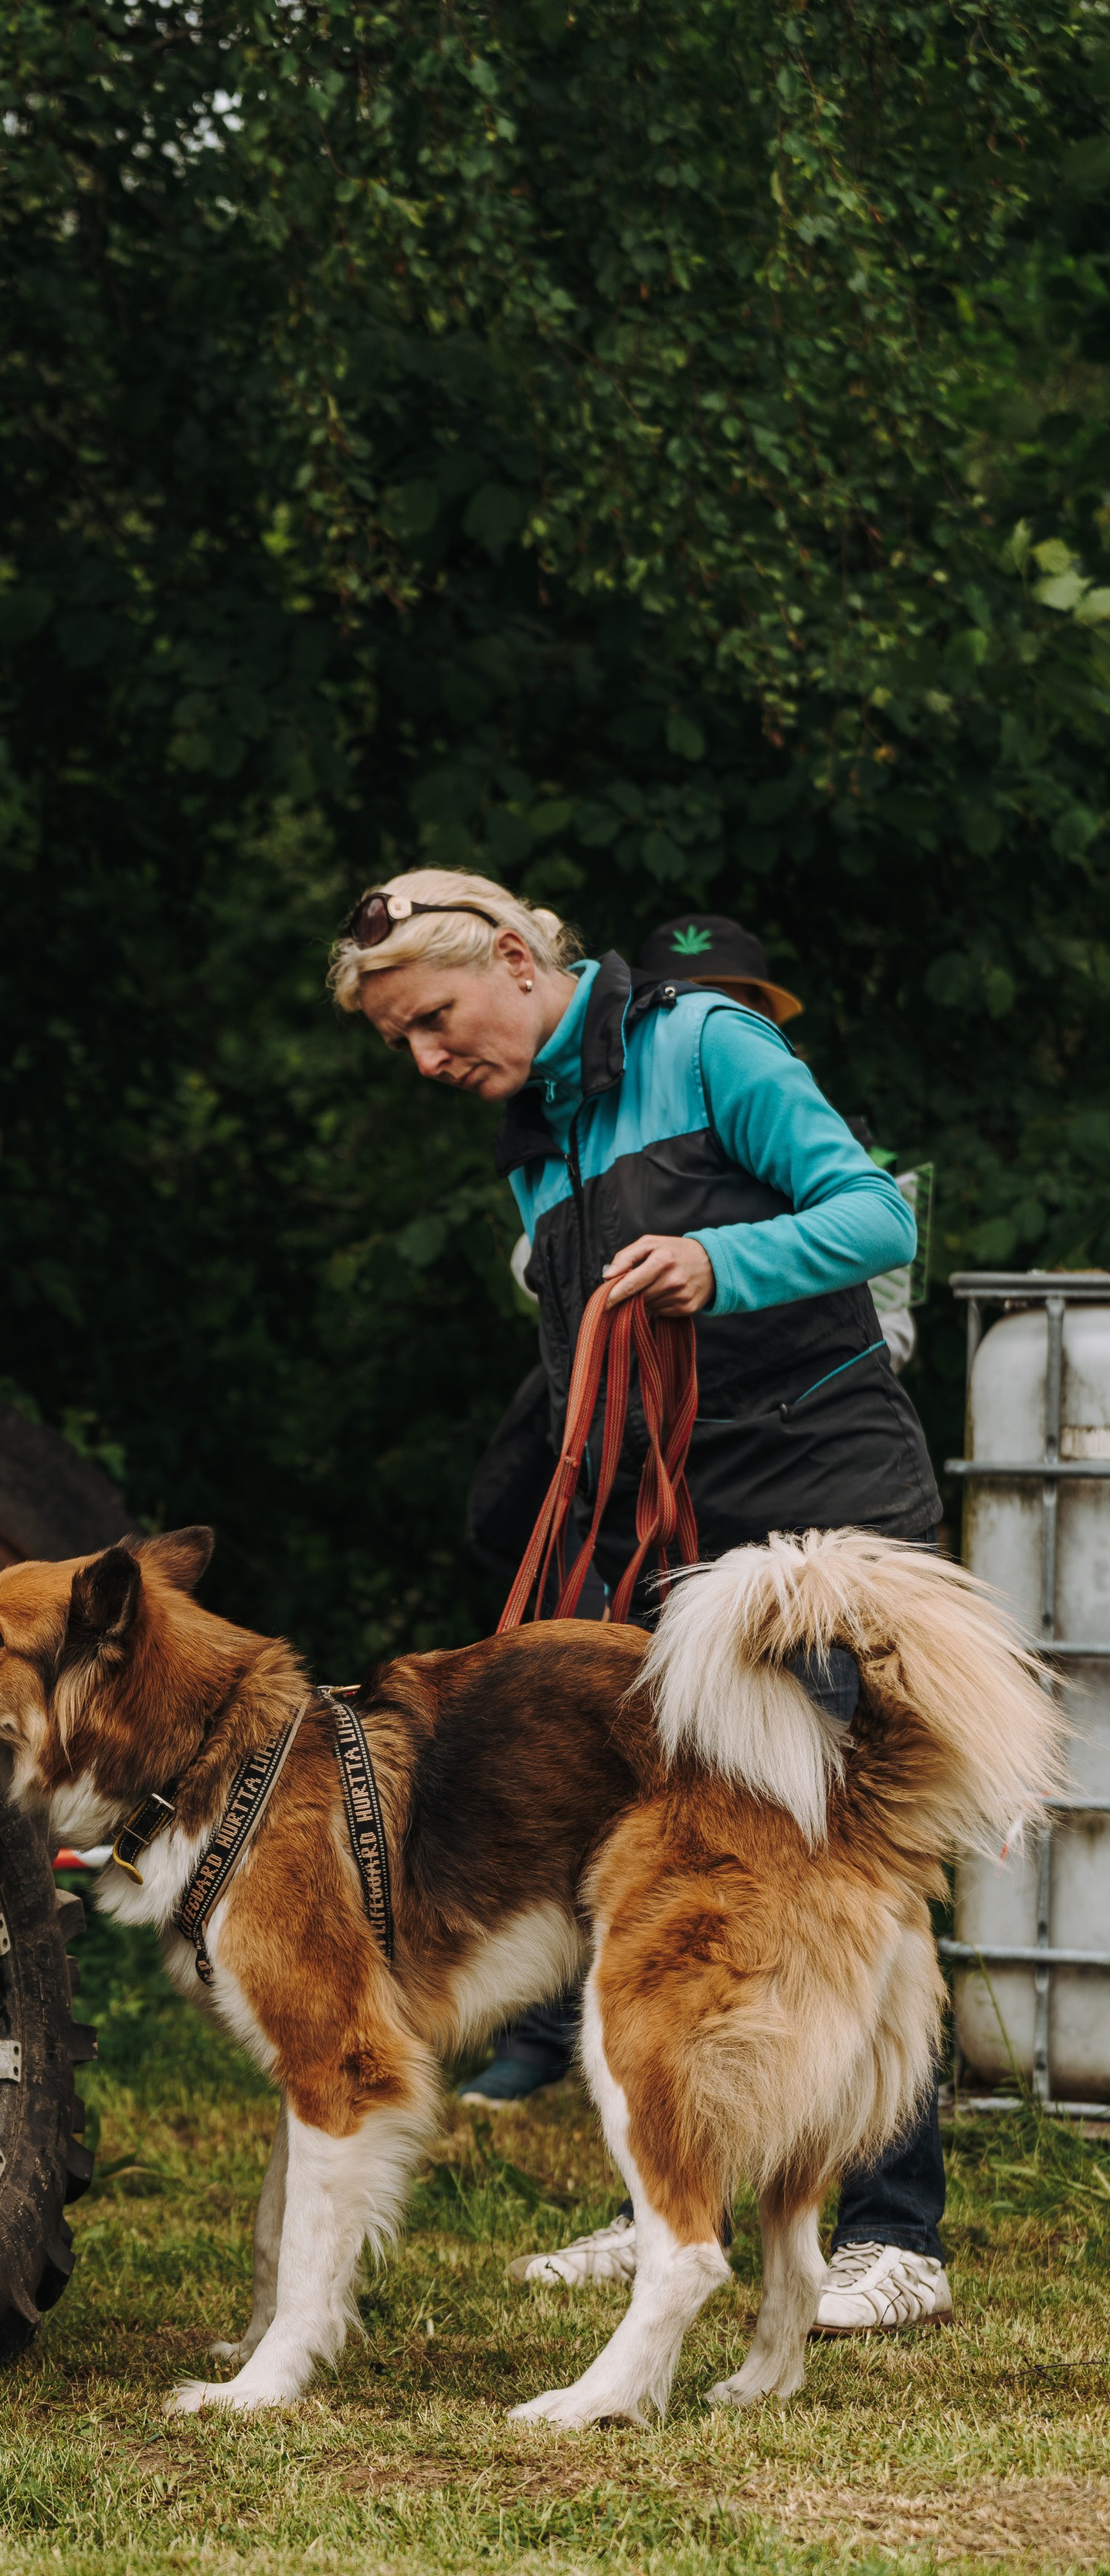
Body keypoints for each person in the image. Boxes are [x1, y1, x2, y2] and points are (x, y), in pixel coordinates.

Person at [332, 877, 954, 2337]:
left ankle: (893, 2231)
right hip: (670, 1527)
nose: (425, 1059)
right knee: (693, 1871)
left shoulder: (708, 1045)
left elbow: (869, 1216)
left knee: (842, 1849)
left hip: (821, 1498)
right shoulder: (536, 1135)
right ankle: (668, 2198)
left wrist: (718, 1262)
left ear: (509, 956)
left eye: (431, 1019)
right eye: (399, 1042)